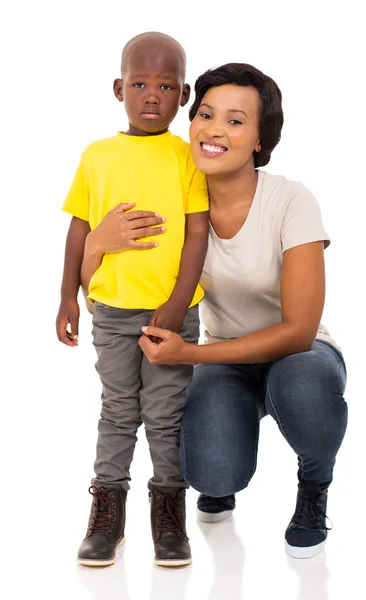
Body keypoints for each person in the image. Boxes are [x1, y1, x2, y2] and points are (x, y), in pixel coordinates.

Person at [83, 63, 348, 560]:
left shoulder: (291, 200)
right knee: (210, 472)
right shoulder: (177, 204)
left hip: (301, 354)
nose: (214, 130)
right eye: (205, 114)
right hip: (223, 361)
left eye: (235, 120)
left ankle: (315, 483)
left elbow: (299, 330)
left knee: (305, 389)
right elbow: (104, 294)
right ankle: (226, 453)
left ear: (259, 141)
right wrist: (96, 245)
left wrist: (189, 356)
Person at [56, 32, 209, 568]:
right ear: (118, 87)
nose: (151, 95)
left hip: (174, 315)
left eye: (165, 86)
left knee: (167, 416)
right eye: (140, 83)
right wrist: (67, 296)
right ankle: (107, 511)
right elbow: (80, 229)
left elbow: (197, 234)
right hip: (113, 313)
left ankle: (168, 513)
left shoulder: (186, 156)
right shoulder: (97, 155)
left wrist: (176, 303)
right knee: (119, 412)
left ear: (183, 94)